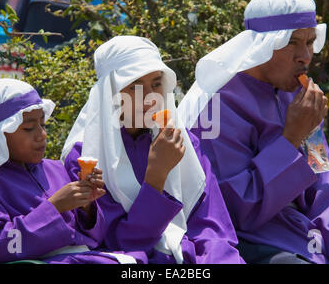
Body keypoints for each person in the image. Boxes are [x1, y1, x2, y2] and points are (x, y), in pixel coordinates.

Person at [178, 0, 329, 264]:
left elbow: (323, 172)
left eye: (310, 41)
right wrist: (290, 139)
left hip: (320, 233)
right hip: (260, 239)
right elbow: (238, 210)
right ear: (262, 44)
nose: (305, 56)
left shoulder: (299, 95)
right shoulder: (216, 107)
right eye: (292, 42)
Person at [61, 36, 244, 264]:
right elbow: (121, 243)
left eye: (157, 84)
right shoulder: (86, 157)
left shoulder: (182, 142)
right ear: (111, 94)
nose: (150, 99)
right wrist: (157, 175)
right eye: (135, 87)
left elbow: (212, 228)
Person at [0, 78, 146, 264]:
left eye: (42, 124)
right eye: (29, 128)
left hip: (78, 258)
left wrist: (86, 206)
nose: (41, 135)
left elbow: (94, 238)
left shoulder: (55, 168)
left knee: (145, 258)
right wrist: (54, 207)